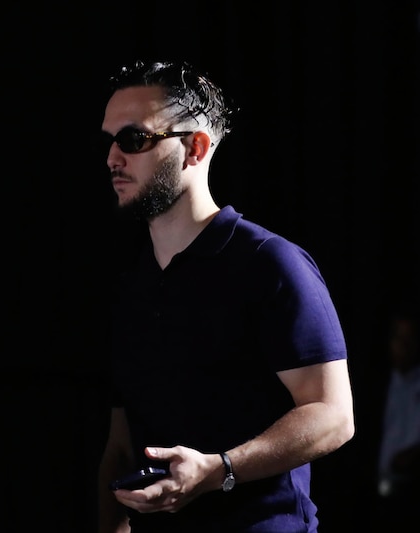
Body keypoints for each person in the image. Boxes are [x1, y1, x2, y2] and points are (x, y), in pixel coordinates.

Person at [95, 59, 355, 533]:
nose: (113, 157)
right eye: (109, 140)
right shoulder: (133, 284)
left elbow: (334, 415)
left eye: (133, 139)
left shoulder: (269, 262)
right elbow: (121, 441)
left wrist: (218, 470)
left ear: (195, 147)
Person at [372, 304, 420, 531]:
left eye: (409, 340)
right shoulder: (378, 383)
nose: (402, 347)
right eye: (397, 339)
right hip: (378, 493)